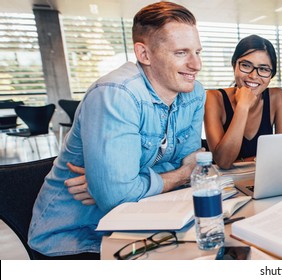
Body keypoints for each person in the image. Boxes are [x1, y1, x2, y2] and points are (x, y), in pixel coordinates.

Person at [28, 1, 205, 259]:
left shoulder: (193, 93)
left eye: (198, 51)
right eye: (181, 53)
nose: (196, 64)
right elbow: (120, 198)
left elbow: (192, 165)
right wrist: (178, 175)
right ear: (144, 54)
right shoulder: (116, 94)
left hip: (142, 222)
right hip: (79, 235)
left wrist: (116, 184)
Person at [204, 35, 282, 169]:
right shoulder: (213, 98)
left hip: (265, 178)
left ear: (271, 74)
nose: (253, 76)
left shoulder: (277, 97)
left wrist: (243, 161)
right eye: (246, 65)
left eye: (263, 69)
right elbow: (223, 162)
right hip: (227, 184)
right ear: (234, 65)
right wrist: (243, 106)